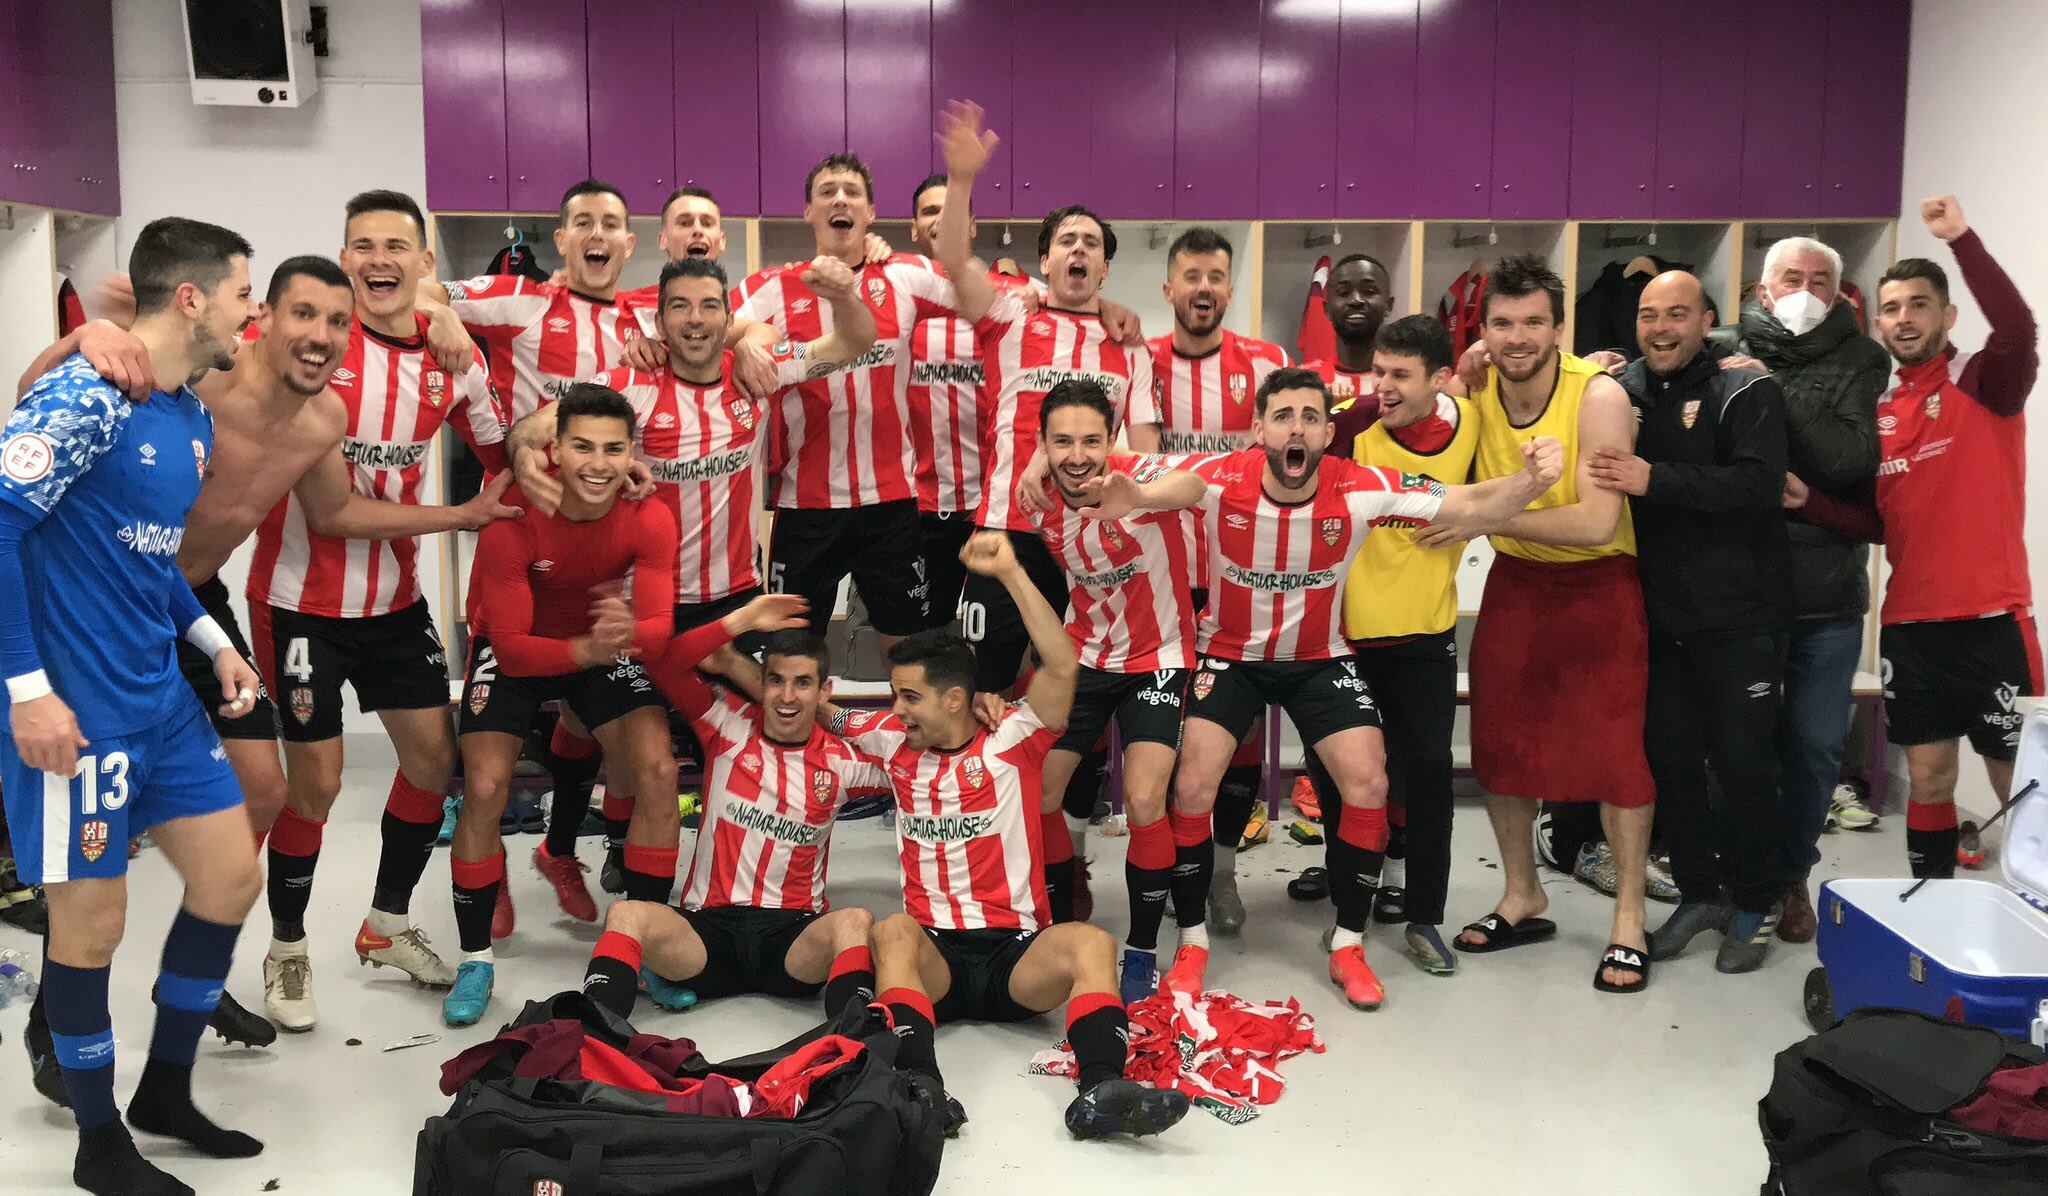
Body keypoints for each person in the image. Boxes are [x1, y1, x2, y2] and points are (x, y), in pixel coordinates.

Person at [10, 246, 519, 1057]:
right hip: (101, 608)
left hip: (191, 603)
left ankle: (192, 976)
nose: (321, 334)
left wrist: (462, 517)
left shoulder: (324, 420)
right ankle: (56, 1020)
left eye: (338, 322)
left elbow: (337, 514)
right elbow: (37, 404)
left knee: (263, 790)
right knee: (89, 854)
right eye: (301, 315)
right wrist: (87, 337)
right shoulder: (199, 376)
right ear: (261, 320)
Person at [1089, 367, 1562, 1010]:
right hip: (1230, 656)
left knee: (1368, 783)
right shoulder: (1220, 476)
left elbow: (1470, 503)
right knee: (1192, 786)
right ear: (1258, 429)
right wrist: (1102, 484)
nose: (1296, 428)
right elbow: (1145, 469)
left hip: (1319, 658)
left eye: (1311, 417)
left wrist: (1534, 479)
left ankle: (1346, 942)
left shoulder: (1358, 485)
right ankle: (1193, 939)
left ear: (1327, 431)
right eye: (1282, 416)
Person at [1, 216, 268, 1195]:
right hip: (74, 713)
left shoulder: (188, 412)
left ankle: (165, 1089)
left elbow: (146, 557)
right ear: (192, 298)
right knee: (90, 927)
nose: (256, 310)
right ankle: (98, 1138)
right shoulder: (86, 398)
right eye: (245, 291)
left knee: (230, 877)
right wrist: (27, 694)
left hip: (158, 698)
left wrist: (214, 642)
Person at [505, 252, 877, 903]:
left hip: (731, 599)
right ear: (661, 318)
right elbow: (543, 425)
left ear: (729, 316)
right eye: (680, 306)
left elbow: (853, 341)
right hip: (638, 601)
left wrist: (844, 293)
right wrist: (524, 453)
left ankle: (735, 880)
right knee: (627, 745)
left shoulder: (755, 376)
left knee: (768, 721)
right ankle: (577, 851)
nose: (695, 319)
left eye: (710, 306)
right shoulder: (630, 385)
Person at [246, 191, 514, 1030]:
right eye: (361, 244)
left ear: (426, 264)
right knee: (318, 784)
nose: (378, 259)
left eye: (397, 245)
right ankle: (287, 949)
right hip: (298, 603)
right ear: (345, 257)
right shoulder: (313, 345)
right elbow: (330, 512)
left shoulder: (451, 357)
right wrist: (461, 517)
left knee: (434, 763)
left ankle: (386, 923)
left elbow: (506, 449)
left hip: (395, 602)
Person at [844, 532, 1191, 1141]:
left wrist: (1009, 573)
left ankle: (1102, 1092)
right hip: (936, 962)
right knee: (890, 929)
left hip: (1014, 960)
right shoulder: (890, 739)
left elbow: (1061, 664)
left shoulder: (1014, 738)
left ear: (957, 698)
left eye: (909, 697)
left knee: (1089, 943)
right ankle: (921, 1085)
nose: (897, 710)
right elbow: (820, 710)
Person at [1797, 196, 2040, 880]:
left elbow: (2019, 326)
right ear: (1878, 321)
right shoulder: (1884, 408)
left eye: (1919, 305)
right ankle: (1932, 911)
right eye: (1893, 308)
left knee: (2019, 780)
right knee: (1929, 776)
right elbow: (1883, 522)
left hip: (1992, 623)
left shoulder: (1985, 382)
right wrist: (1810, 503)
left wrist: (1962, 238)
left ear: (1947, 316)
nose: (1904, 319)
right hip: (1910, 626)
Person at [1436, 253, 1657, 995]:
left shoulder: (1598, 398)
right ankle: (1523, 895)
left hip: (1600, 588)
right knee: (1500, 743)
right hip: (1519, 583)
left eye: (1534, 322)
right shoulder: (1477, 385)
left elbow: (1598, 522)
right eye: (1502, 323)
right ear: (1484, 329)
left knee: (1618, 754)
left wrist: (1490, 515)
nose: (1518, 336)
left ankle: (1629, 917)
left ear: (1559, 328)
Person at [444, 383, 679, 1025]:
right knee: (488, 785)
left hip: (598, 642)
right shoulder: (515, 516)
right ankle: (475, 959)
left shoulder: (650, 513)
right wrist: (592, 647)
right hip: (524, 644)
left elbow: (659, 626)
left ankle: (647, 940)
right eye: (582, 447)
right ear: (555, 450)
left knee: (658, 771)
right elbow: (515, 652)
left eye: (612, 449)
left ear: (632, 454)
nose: (598, 464)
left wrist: (626, 635)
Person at [1598, 271, 1795, 974]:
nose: (1660, 328)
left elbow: (1760, 485)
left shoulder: (1746, 389)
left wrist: (1654, 479)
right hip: (1662, 621)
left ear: (1707, 318)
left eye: (1677, 314)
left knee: (1745, 768)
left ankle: (1754, 902)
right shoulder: (1624, 390)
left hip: (1743, 620)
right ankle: (1701, 893)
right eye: (1649, 315)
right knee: (1672, 763)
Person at [933, 100, 1157, 694]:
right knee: (980, 688)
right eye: (1065, 241)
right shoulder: (1009, 317)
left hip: (1093, 536)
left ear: (1106, 266)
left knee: (1077, 688)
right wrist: (960, 179)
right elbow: (954, 260)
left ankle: (1063, 792)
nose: (1078, 250)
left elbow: (1146, 451)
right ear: (1044, 259)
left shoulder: (1129, 343)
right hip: (1008, 532)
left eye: (1091, 243)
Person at [581, 616, 893, 1020]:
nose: (787, 696)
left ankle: (854, 1045)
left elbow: (916, 756)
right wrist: (733, 640)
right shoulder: (726, 723)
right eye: (776, 680)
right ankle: (591, 1037)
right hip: (709, 935)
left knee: (855, 922)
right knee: (625, 915)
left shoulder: (843, 761)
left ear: (824, 691)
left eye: (803, 683)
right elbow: (663, 663)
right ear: (760, 684)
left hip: (791, 939)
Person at [1710, 235, 1886, 941]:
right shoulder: (1715, 347)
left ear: (1840, 293)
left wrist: (1766, 388)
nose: (1805, 290)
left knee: (1813, 748)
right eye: (1791, 277)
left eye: (1821, 280)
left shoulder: (1863, 358)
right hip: (1736, 590)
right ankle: (1732, 875)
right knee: (1733, 745)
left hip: (1825, 598)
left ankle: (1790, 877)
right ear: (1762, 289)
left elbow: (1849, 458)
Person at [1128, 226, 1292, 937]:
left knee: (1236, 747)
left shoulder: (1267, 363)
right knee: (1168, 743)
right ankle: (1167, 874)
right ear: (1168, 289)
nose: (1203, 288)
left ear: (1230, 287)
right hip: (1164, 586)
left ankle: (1222, 874)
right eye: (1190, 275)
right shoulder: (1136, 360)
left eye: (1216, 276)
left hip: (1243, 585)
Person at [729, 153, 961, 653]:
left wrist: (1033, 286)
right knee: (791, 655)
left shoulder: (903, 275)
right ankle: (808, 733)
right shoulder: (770, 286)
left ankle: (904, 733)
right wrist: (746, 336)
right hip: (804, 507)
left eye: (852, 192)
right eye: (827, 191)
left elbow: (983, 297)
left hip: (892, 506)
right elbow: (704, 329)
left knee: (910, 655)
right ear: (808, 212)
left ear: (871, 212)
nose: (840, 199)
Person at [1023, 380, 1203, 999]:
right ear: (1044, 445)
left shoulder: (1136, 472)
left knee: (1146, 799)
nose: (1079, 455)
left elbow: (1195, 486)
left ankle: (1142, 947)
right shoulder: (1036, 497)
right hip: (1087, 658)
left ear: (1112, 440)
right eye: (1063, 441)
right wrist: (1031, 463)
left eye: (1093, 440)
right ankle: (1056, 922)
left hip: (1159, 657)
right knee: (1041, 786)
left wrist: (1139, 496)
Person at [1330, 315, 1481, 973]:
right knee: (1344, 781)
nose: (1383, 387)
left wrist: (1474, 520)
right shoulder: (1350, 425)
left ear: (1439, 380)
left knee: (1428, 776)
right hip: (1347, 636)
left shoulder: (1472, 424)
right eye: (1378, 372)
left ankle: (1424, 916)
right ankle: (1346, 917)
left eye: (1399, 376)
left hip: (1425, 632)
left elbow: (1504, 488)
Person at [902, 171, 1039, 630]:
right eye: (929, 212)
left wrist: (1116, 311)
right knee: (925, 638)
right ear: (914, 229)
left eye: (952, 210)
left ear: (972, 226)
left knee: (1005, 632)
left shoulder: (1018, 299)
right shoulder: (899, 299)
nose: (942, 220)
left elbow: (1080, 306)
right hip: (920, 507)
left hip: (995, 505)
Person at [1303, 253, 1397, 455]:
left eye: (1369, 291)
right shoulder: (1304, 380)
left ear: (1389, 305)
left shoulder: (1405, 381)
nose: (1356, 300)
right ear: (1326, 308)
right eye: (1344, 293)